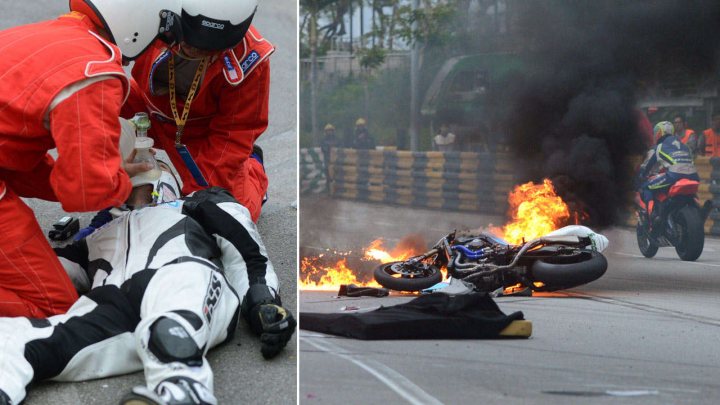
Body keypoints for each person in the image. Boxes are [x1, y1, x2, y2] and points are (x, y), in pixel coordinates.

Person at [0, 162, 295, 405]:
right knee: (12, 337)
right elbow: (41, 273)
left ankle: (182, 388)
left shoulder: (197, 206)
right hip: (109, 303)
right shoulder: (99, 233)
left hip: (179, 277)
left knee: (169, 329)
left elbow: (248, 255)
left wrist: (262, 299)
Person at [0, 0, 182, 318]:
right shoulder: (95, 73)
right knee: (53, 304)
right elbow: (83, 190)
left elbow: (17, 160)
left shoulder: (45, 36)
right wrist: (124, 185)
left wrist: (105, 171)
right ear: (137, 31)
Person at [122, 0, 273, 223]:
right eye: (192, 40)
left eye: (207, 47)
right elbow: (105, 61)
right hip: (147, 107)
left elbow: (233, 135)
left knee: (229, 215)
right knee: (101, 104)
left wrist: (194, 197)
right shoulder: (151, 15)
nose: (194, 49)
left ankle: (253, 167)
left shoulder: (250, 60)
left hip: (202, 133)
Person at [637, 121, 700, 223]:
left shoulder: (659, 147)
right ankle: (699, 209)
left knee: (646, 186)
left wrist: (641, 176)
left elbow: (646, 167)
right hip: (694, 176)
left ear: (659, 133)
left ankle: (652, 217)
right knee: (691, 193)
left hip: (674, 176)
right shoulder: (685, 146)